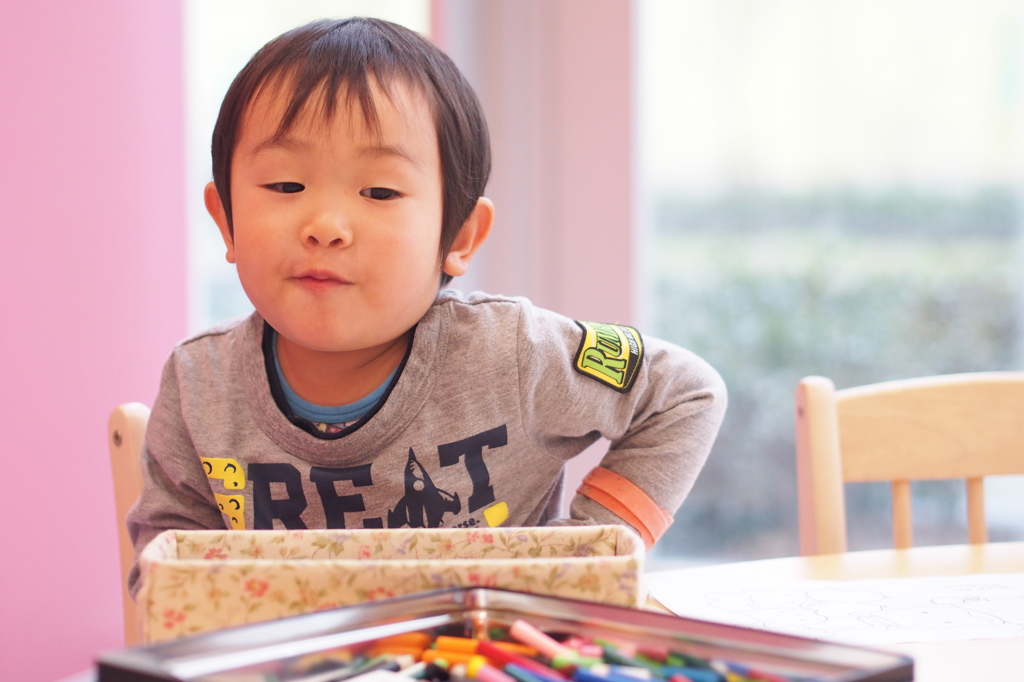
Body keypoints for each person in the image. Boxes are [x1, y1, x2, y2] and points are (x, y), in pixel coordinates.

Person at [126, 17, 726, 596]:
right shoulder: (199, 383)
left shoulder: (509, 352)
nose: (326, 226)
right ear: (225, 219)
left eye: (379, 191)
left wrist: (586, 557)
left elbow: (684, 392)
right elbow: (164, 571)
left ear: (459, 236)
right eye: (286, 185)